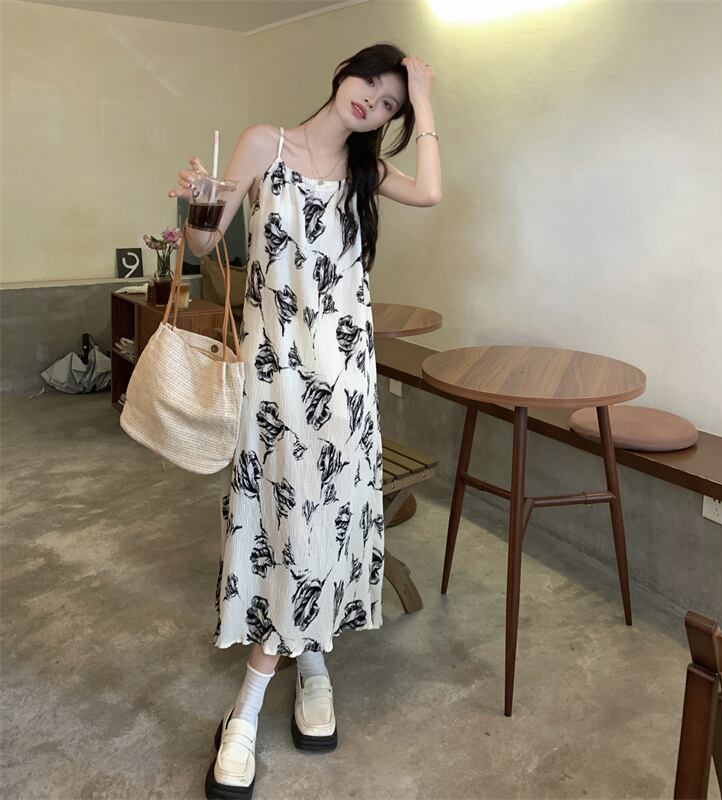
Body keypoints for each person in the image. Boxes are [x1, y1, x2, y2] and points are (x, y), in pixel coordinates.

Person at [168, 42, 441, 800]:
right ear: (343, 73)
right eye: (370, 83)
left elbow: (432, 191)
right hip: (274, 380)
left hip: (346, 386)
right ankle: (253, 704)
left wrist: (425, 99)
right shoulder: (266, 143)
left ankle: (307, 663)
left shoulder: (365, 173)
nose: (372, 102)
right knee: (280, 525)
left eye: (389, 104)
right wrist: (198, 202)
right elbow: (204, 244)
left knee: (327, 525)